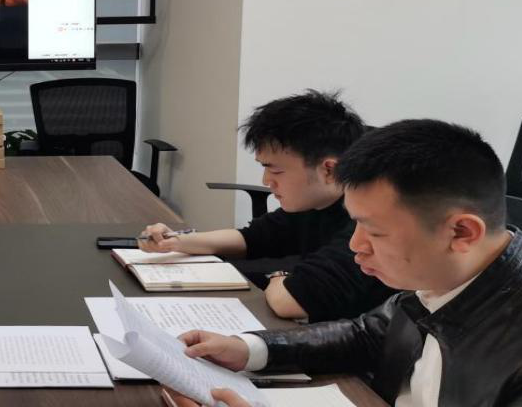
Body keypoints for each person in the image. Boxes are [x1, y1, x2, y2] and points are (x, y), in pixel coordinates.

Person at [170, 119, 522, 407]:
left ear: (462, 232)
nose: (356, 246)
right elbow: (368, 334)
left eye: (375, 232)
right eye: (355, 225)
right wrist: (249, 348)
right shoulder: (446, 272)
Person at [141, 90, 393, 321]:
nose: (266, 181)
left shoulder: (371, 218)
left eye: (276, 171)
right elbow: (253, 238)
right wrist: (175, 242)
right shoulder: (316, 199)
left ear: (329, 170)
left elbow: (291, 302)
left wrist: (279, 275)